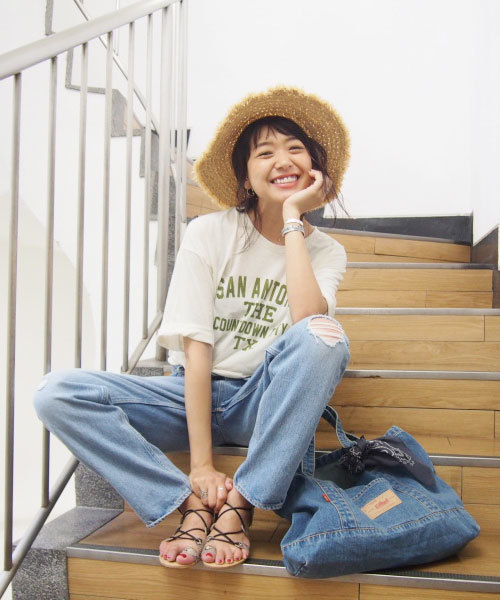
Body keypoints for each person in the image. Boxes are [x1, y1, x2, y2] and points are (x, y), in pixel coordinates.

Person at [33, 86, 351, 571]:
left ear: (314, 168)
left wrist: (292, 218)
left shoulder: (327, 251)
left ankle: (242, 500)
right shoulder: (210, 232)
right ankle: (187, 505)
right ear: (245, 175)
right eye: (265, 152)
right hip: (189, 394)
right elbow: (196, 346)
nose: (282, 161)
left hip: (262, 397)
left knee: (326, 337)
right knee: (56, 394)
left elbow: (309, 320)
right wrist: (200, 466)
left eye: (295, 149)